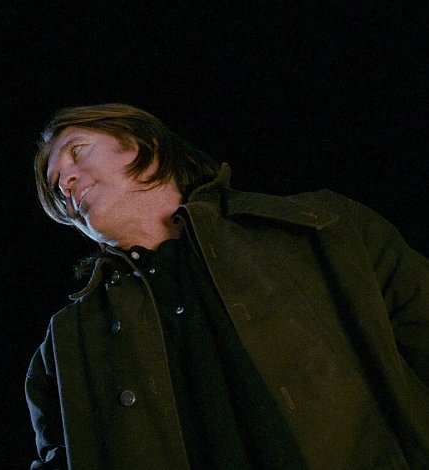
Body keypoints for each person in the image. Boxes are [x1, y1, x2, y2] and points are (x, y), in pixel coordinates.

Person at [25, 103, 429, 469]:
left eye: (77, 152)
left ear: (143, 145)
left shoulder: (323, 227)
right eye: (56, 184)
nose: (66, 182)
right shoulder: (65, 345)